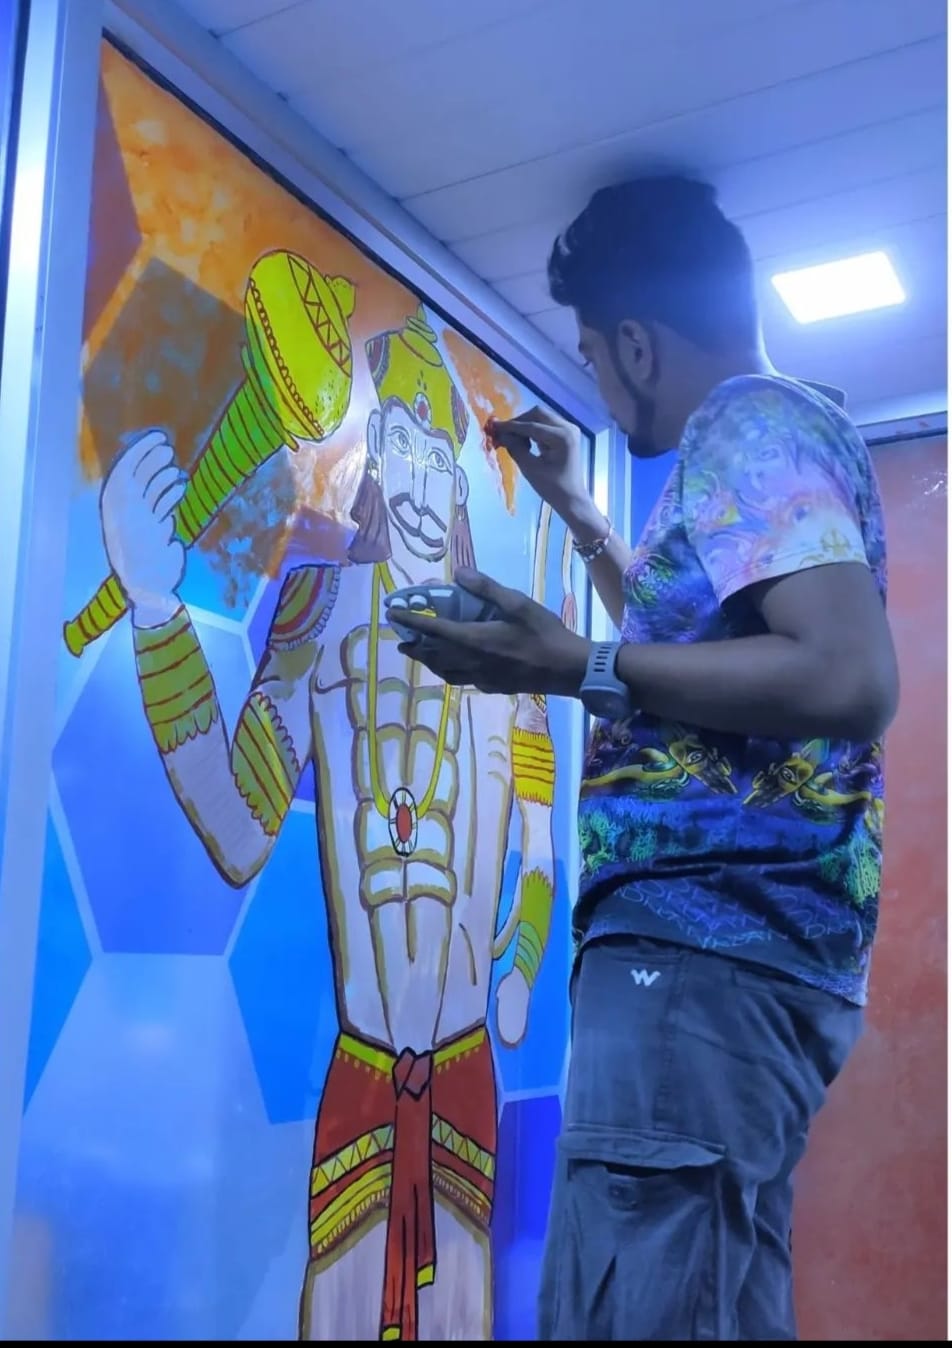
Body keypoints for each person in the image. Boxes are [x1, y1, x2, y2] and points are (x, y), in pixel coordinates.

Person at [392, 175, 899, 1341]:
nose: (602, 384)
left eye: (591, 352)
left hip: (696, 961)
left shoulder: (746, 426)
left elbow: (846, 674)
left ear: (634, 343)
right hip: (735, 971)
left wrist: (577, 664)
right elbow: (703, 653)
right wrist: (579, 515)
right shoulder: (775, 435)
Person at [99, 307, 559, 1342]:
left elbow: (538, 857)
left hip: (468, 1075)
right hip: (358, 1076)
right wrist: (158, 612)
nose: (421, 479)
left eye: (437, 456)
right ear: (374, 464)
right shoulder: (314, 615)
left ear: (457, 482)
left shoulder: (517, 664)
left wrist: (522, 966)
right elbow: (236, 829)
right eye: (400, 446)